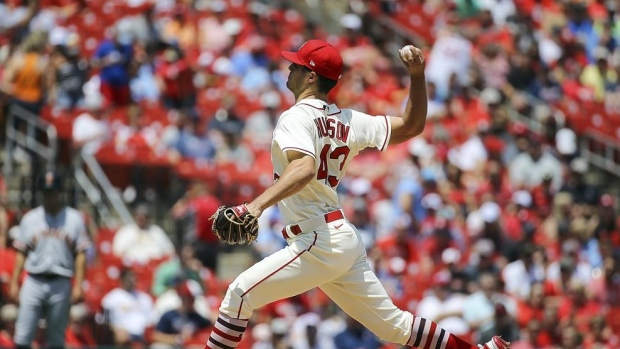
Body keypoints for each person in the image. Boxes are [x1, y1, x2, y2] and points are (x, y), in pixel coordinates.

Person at [203, 40, 509, 349]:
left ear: (311, 76)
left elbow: (305, 168)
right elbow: (412, 126)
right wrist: (417, 76)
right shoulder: (349, 120)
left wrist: (253, 207)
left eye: (296, 64)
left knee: (238, 295)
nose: (289, 67)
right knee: (393, 326)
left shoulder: (295, 117)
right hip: (339, 238)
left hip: (316, 238)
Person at [8, 171, 90, 349]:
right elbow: (21, 252)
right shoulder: (30, 218)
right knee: (22, 337)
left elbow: (81, 254)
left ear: (60, 193)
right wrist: (15, 282)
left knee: (55, 339)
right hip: (34, 280)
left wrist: (78, 285)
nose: (48, 196)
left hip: (61, 281)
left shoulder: (75, 218)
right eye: (45, 192)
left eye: (52, 192)